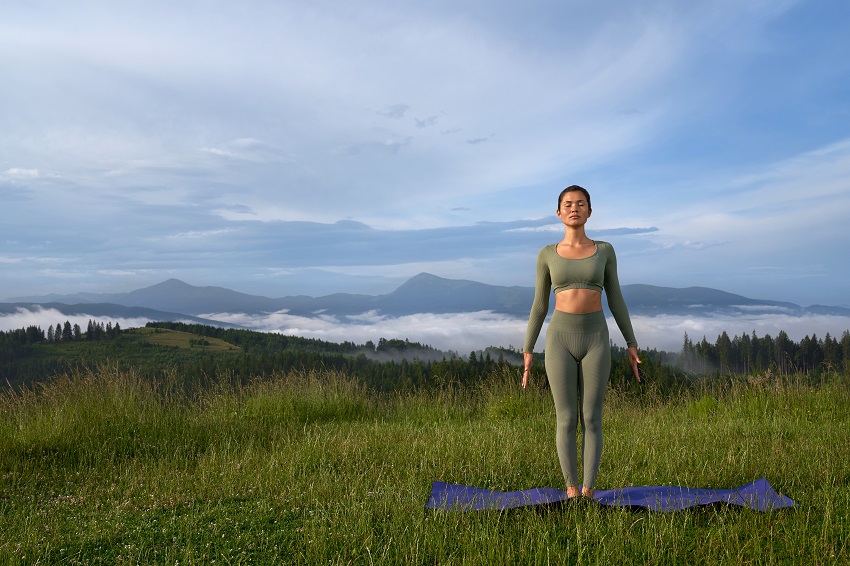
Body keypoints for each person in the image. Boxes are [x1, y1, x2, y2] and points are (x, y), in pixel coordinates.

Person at [522, 184, 641, 500]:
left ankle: (588, 490)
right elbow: (539, 305)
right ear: (558, 212)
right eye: (568, 204)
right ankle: (571, 490)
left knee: (591, 416)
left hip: (596, 339)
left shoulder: (605, 250)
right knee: (566, 417)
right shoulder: (547, 254)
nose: (574, 208)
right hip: (559, 338)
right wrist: (528, 349)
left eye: (581, 203)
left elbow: (616, 299)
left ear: (590, 210)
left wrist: (631, 343)